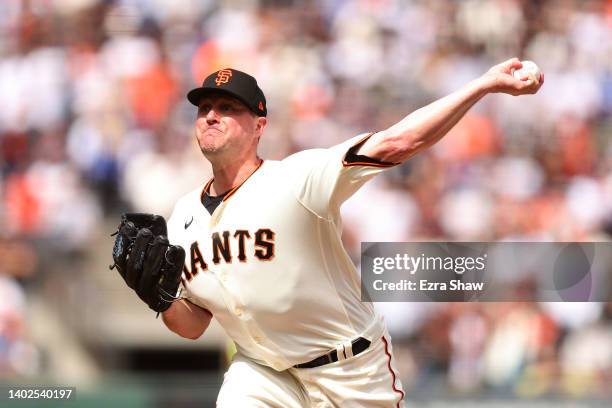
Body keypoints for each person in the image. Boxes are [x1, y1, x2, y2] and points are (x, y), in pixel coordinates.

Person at [160, 59, 543, 407]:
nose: (212, 116)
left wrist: (482, 85)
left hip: (351, 369)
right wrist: (159, 298)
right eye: (204, 108)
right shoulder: (182, 217)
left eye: (228, 108)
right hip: (263, 373)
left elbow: (398, 142)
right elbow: (194, 323)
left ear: (260, 125)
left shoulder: (297, 180)